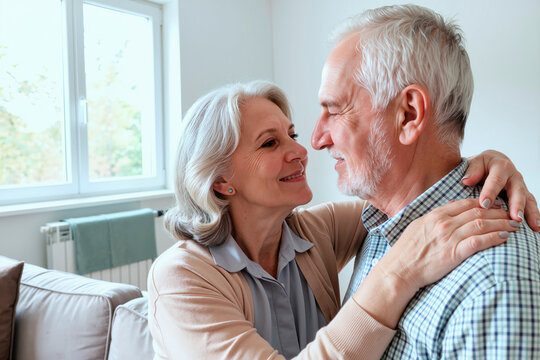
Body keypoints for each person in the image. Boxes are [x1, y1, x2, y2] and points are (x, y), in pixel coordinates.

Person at [147, 80, 537, 359]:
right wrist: (395, 274)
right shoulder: (181, 278)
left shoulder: (313, 232)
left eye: (292, 134)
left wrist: (485, 168)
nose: (302, 149)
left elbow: (410, 198)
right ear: (220, 183)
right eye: (270, 143)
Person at [310, 4, 540, 358]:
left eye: (335, 110)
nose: (317, 139)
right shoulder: (377, 227)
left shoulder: (493, 284)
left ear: (409, 114)